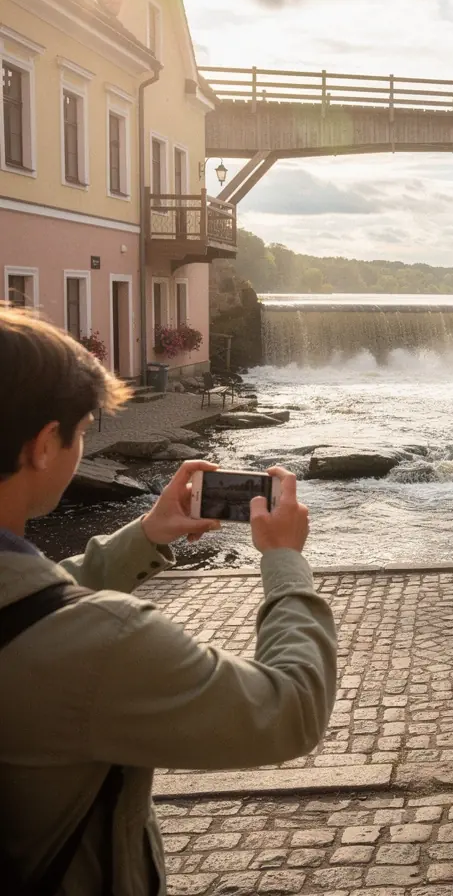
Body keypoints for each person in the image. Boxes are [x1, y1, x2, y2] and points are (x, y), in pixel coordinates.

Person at [0, 304, 338, 894]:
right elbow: (291, 709)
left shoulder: (40, 622)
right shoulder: (105, 643)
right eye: (81, 433)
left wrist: (146, 535)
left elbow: (28, 604)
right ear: (43, 446)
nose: (81, 446)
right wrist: (284, 559)